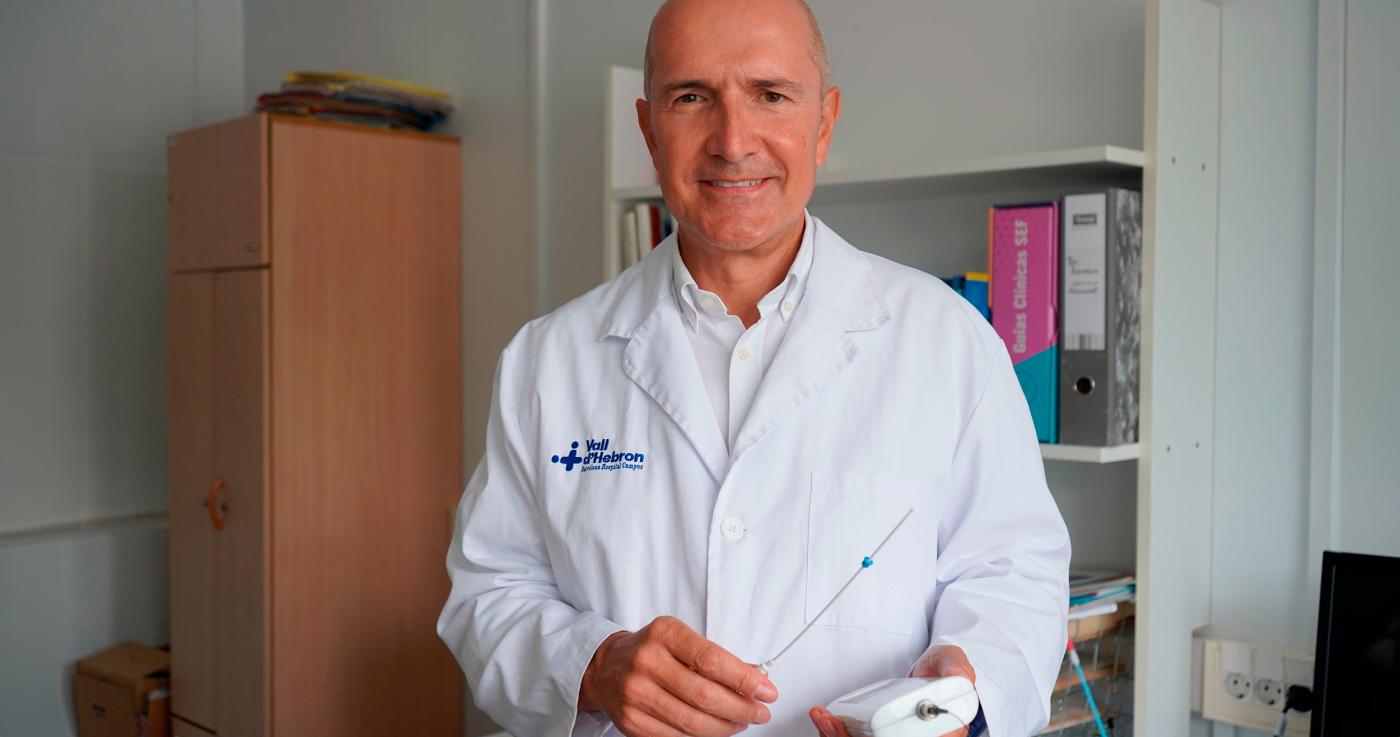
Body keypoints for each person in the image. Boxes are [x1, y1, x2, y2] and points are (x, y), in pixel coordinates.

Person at [436, 0, 1071, 735]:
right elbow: (488, 594)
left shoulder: (950, 343)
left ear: (824, 122)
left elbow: (1015, 575)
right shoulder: (547, 361)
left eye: (770, 95)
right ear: (648, 129)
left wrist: (966, 692)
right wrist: (593, 664)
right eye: (691, 97)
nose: (733, 142)